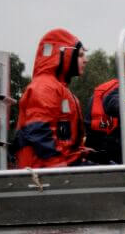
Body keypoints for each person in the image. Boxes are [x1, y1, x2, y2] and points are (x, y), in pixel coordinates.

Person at [11, 28, 87, 168]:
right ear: (65, 54)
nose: (86, 60)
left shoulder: (59, 90)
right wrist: (58, 166)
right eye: (80, 55)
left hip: (62, 163)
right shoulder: (44, 88)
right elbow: (39, 131)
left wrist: (82, 153)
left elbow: (63, 135)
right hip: (43, 170)